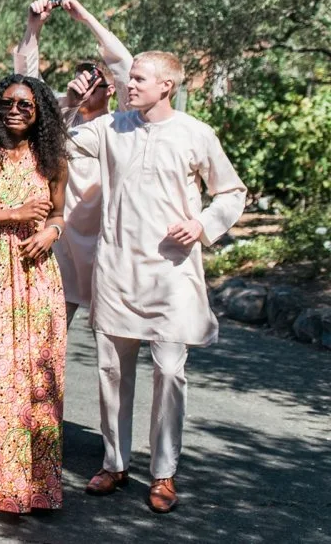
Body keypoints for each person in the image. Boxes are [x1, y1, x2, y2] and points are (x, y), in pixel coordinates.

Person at [86, 50, 247, 514]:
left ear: (166, 86)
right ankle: (114, 462)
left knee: (171, 372)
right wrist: (80, 100)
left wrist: (201, 225)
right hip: (117, 268)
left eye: (138, 78)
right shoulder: (111, 127)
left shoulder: (195, 133)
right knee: (112, 371)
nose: (129, 85)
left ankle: (163, 473)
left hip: (172, 273)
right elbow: (60, 136)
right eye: (129, 77)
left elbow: (231, 192)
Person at [0, 77, 68, 514]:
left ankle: (30, 483)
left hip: (37, 277)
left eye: (26, 104)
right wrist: (12, 214)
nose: (16, 109)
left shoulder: (53, 159)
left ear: (41, 109)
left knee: (33, 375)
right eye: (7, 102)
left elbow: (60, 211)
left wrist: (51, 233)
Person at [14, 0, 133, 322]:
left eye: (95, 80)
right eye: (81, 78)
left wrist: (88, 19)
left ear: (110, 90)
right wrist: (33, 28)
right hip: (61, 241)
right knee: (49, 334)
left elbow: (125, 67)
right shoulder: (59, 116)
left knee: (110, 353)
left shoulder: (122, 124)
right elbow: (26, 85)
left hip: (105, 244)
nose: (86, 85)